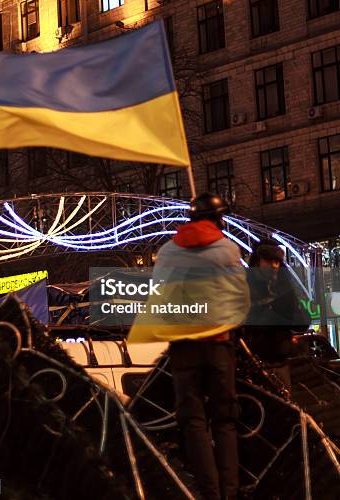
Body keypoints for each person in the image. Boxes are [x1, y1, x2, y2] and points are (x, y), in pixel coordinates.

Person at [128, 193, 250, 500]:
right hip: (218, 345)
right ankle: (230, 493)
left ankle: (209, 493)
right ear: (219, 219)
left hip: (183, 347)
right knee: (224, 420)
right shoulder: (227, 249)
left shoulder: (169, 252)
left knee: (193, 421)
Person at [245, 240, 311, 389]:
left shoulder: (283, 285)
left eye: (276, 261)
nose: (274, 266)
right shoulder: (245, 287)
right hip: (257, 363)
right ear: (257, 262)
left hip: (281, 359)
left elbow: (302, 322)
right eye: (269, 261)